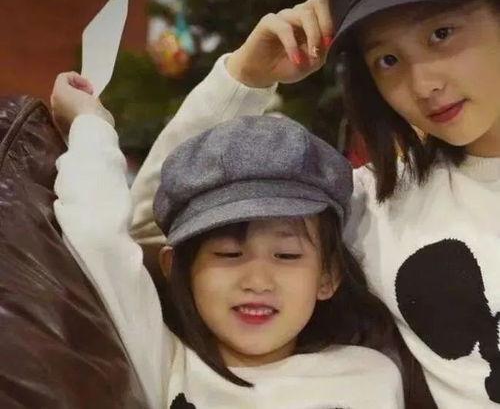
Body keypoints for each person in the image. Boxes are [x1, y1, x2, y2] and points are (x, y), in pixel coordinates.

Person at [128, 0, 500, 407]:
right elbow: (158, 227)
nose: (424, 85)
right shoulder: (373, 205)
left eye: (441, 34)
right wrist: (245, 76)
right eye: (387, 60)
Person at [50, 74, 403, 409]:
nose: (257, 281)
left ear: (327, 275)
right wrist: (90, 121)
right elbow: (99, 240)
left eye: (286, 255)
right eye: (229, 253)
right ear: (176, 268)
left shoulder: (371, 375)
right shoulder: (164, 362)